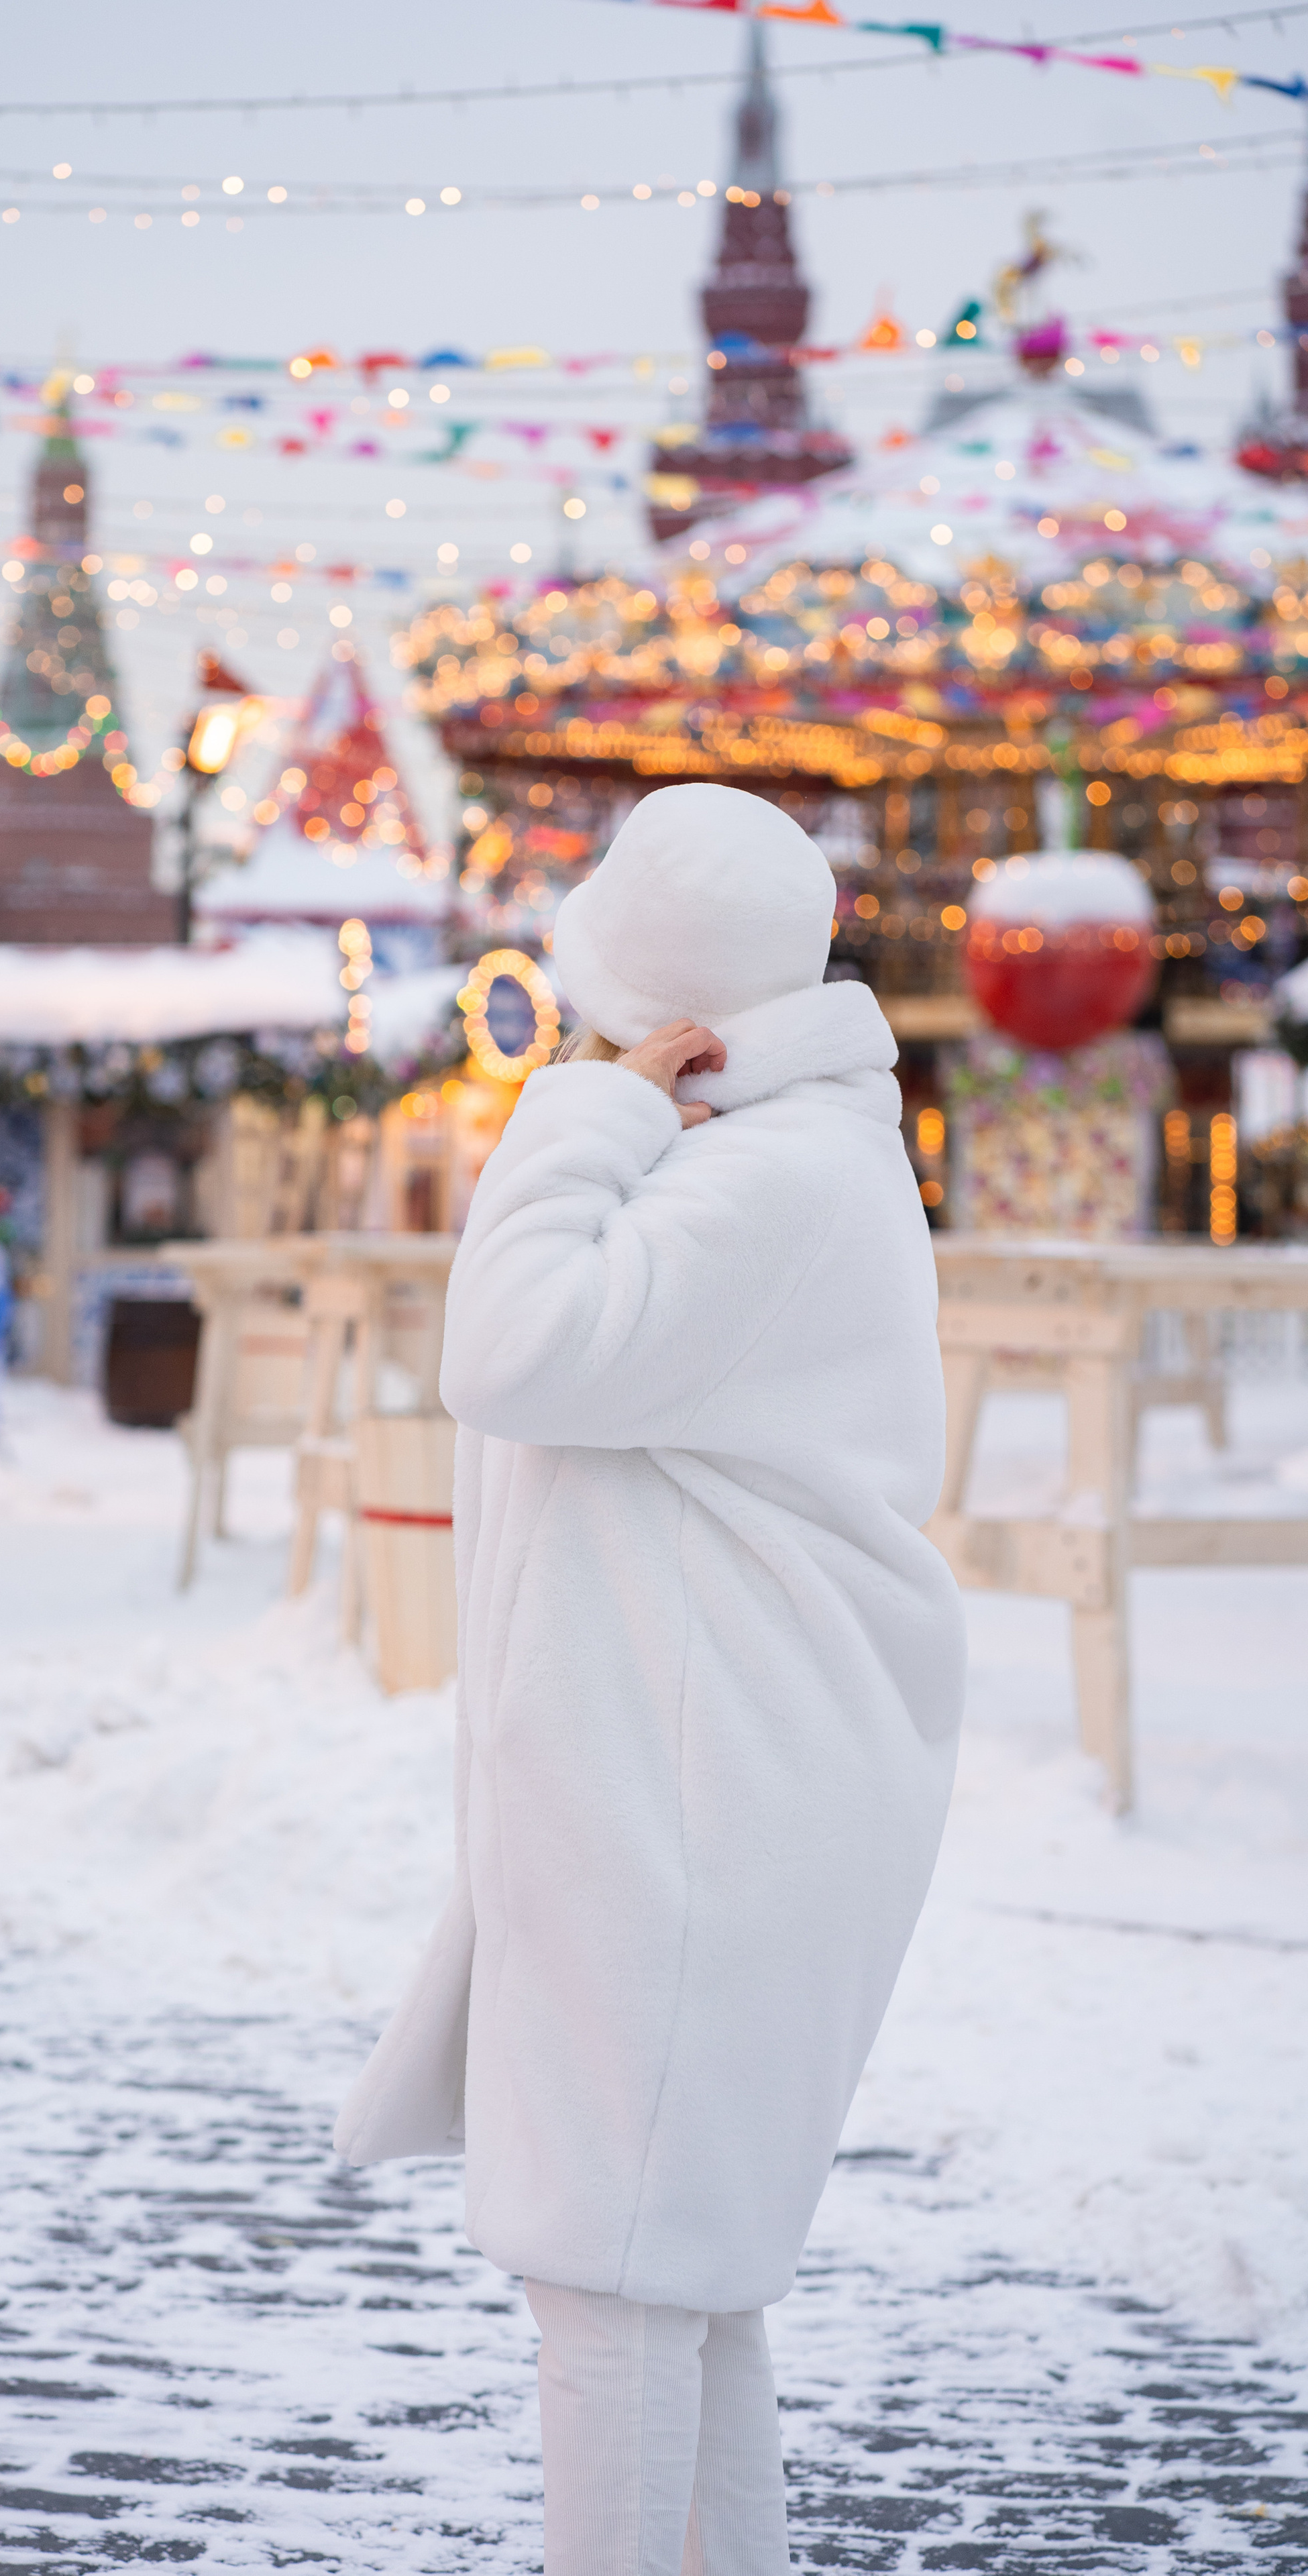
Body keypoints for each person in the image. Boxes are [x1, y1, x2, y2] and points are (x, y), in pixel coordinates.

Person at [335, 782, 966, 2575]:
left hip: (699, 1797)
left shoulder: (770, 1175)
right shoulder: (778, 1152)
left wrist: (584, 1110)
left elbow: (510, 1350)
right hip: (698, 1775)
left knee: (614, 2287)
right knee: (678, 2278)